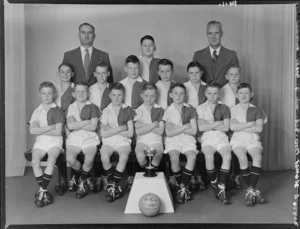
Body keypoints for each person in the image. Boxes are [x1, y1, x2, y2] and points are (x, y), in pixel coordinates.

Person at [230, 82, 267, 207]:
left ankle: (251, 191)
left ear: (251, 94)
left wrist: (239, 127)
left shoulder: (257, 109)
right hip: (238, 140)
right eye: (241, 93)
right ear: (236, 94)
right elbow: (232, 126)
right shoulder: (232, 109)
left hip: (253, 139)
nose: (244, 95)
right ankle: (254, 192)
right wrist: (251, 124)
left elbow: (259, 129)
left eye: (246, 93)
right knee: (242, 158)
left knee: (257, 157)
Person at [29, 81, 64, 207]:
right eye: (44, 93)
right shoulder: (36, 111)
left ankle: (41, 192)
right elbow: (32, 130)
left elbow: (58, 131)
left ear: (54, 94)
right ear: (39, 94)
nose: (46, 96)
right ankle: (44, 191)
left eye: (49, 93)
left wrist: (41, 129)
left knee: (51, 160)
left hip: (55, 142)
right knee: (34, 162)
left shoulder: (57, 111)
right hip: (41, 142)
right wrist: (50, 127)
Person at [196, 81, 232, 205]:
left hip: (222, 137)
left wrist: (209, 124)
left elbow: (226, 128)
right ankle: (214, 183)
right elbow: (201, 128)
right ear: (206, 93)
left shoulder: (224, 108)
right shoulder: (200, 108)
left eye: (215, 93)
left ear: (219, 94)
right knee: (209, 156)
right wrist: (218, 123)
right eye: (209, 93)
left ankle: (221, 188)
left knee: (227, 156)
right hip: (207, 138)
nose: (212, 96)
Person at [99, 83, 136, 202]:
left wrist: (112, 130)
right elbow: (103, 133)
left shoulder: (128, 110)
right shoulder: (106, 111)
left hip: (123, 141)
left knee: (124, 156)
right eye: (114, 95)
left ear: (123, 96)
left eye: (119, 95)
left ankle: (113, 185)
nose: (116, 98)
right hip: (108, 141)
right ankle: (114, 185)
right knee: (104, 157)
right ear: (109, 95)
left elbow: (130, 133)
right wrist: (120, 128)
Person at [163, 83, 198, 204]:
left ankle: (181, 187)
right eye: (176, 93)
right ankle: (183, 188)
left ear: (185, 95)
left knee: (192, 156)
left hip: (188, 139)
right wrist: (184, 126)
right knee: (174, 158)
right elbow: (169, 133)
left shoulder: (190, 109)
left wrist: (176, 128)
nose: (178, 96)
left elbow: (194, 130)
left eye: (181, 93)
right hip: (173, 141)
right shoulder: (168, 111)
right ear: (171, 95)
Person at [65, 82, 101, 199]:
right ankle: (86, 177)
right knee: (70, 159)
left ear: (88, 93)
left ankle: (82, 182)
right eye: (78, 91)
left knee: (89, 159)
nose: (81, 93)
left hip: (89, 138)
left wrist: (77, 124)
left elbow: (93, 127)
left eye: (83, 91)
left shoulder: (93, 107)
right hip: (75, 138)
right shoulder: (71, 107)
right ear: (73, 94)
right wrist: (86, 121)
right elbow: (70, 126)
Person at [62, 23, 113, 87]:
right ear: (79, 35)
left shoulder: (103, 56)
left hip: (97, 95)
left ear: (94, 36)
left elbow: (109, 80)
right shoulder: (69, 55)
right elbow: (64, 79)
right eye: (83, 32)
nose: (86, 36)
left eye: (90, 33)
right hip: (75, 94)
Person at [193, 20, 239, 88]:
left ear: (221, 34)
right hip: (204, 96)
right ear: (207, 35)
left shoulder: (231, 55)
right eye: (210, 33)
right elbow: (194, 80)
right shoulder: (198, 55)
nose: (213, 36)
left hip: (225, 96)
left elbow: (236, 81)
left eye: (216, 33)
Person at [219, 64, 242, 189]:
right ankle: (227, 176)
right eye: (231, 74)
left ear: (240, 75)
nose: (234, 77)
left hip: (240, 125)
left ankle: (237, 175)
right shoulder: (222, 91)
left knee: (240, 145)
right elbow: (219, 110)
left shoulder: (243, 89)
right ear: (226, 76)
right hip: (226, 125)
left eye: (236, 74)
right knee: (228, 148)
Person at [54, 63, 75, 193]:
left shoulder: (76, 89)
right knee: (57, 149)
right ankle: (62, 179)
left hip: (72, 124)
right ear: (58, 74)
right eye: (62, 72)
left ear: (72, 74)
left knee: (73, 149)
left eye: (68, 72)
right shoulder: (54, 89)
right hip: (57, 124)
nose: (65, 74)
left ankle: (74, 178)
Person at [134, 83, 164, 173]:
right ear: (141, 95)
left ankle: (152, 173)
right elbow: (138, 131)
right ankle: (147, 171)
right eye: (146, 96)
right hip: (142, 140)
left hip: (156, 140)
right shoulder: (138, 110)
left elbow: (161, 131)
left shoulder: (160, 110)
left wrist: (143, 125)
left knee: (157, 155)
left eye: (152, 96)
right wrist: (153, 125)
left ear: (156, 96)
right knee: (140, 156)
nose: (149, 99)